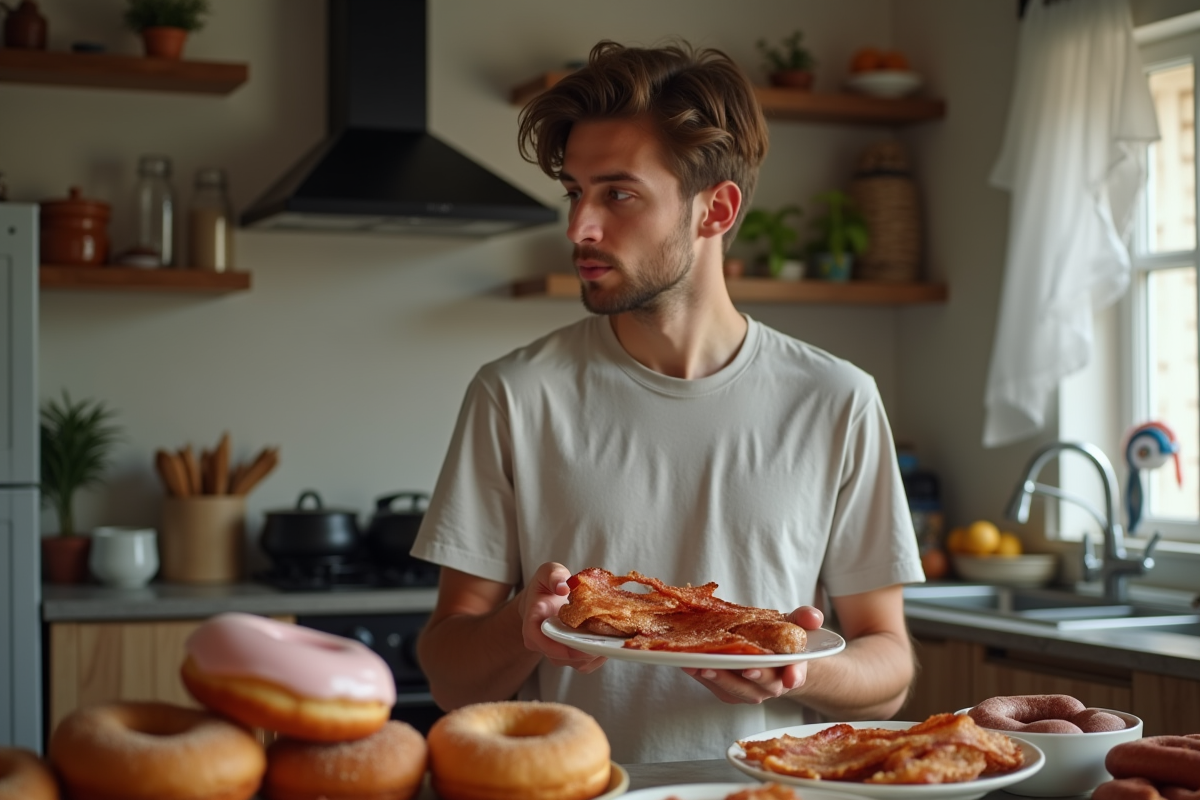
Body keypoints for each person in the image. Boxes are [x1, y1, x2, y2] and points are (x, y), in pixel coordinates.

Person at [411, 39, 925, 764]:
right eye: (575, 192)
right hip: (578, 787)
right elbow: (448, 673)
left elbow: (890, 667)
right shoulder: (516, 395)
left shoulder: (837, 399)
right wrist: (524, 626)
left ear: (715, 210)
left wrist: (797, 671)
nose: (579, 227)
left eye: (617, 194)